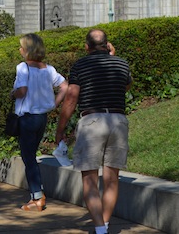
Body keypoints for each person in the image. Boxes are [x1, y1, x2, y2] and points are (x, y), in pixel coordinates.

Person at [55, 29, 132, 234]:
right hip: (118, 120)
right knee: (111, 179)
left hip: (92, 121)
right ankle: (104, 227)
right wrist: (112, 59)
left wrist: (60, 129)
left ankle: (100, 229)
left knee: (89, 179)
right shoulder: (122, 64)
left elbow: (71, 98)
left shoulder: (80, 65)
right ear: (107, 45)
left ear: (86, 46)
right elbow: (123, 87)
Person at [11, 33, 68, 211]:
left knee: (28, 158)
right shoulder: (48, 69)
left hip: (27, 117)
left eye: (21, 47)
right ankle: (35, 195)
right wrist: (53, 103)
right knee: (32, 155)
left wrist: (12, 94)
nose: (20, 50)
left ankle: (37, 195)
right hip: (41, 117)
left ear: (27, 50)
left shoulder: (23, 67)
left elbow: (21, 90)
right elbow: (65, 86)